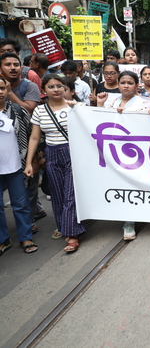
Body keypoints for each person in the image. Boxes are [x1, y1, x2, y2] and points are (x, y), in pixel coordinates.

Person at [25, 75, 85, 252]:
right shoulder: (39, 111)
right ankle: (64, 226)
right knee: (58, 194)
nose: (56, 89)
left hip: (73, 152)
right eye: (51, 86)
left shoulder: (76, 107)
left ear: (65, 88)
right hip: (52, 154)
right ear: (44, 90)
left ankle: (72, 234)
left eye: (59, 85)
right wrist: (29, 162)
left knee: (69, 194)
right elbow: (35, 137)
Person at [97, 71, 150, 240]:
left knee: (132, 183)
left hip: (134, 150)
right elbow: (97, 122)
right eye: (123, 83)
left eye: (130, 83)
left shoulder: (143, 103)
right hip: (113, 149)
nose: (126, 86)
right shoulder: (111, 101)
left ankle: (129, 222)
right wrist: (100, 105)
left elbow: (146, 126)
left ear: (136, 85)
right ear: (118, 84)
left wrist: (128, 116)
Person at [0, 76, 38, 255]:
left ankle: (25, 237)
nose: (0, 92)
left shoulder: (17, 110)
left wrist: (32, 161)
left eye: (2, 88)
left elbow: (33, 135)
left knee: (20, 204)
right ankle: (3, 239)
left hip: (16, 166)